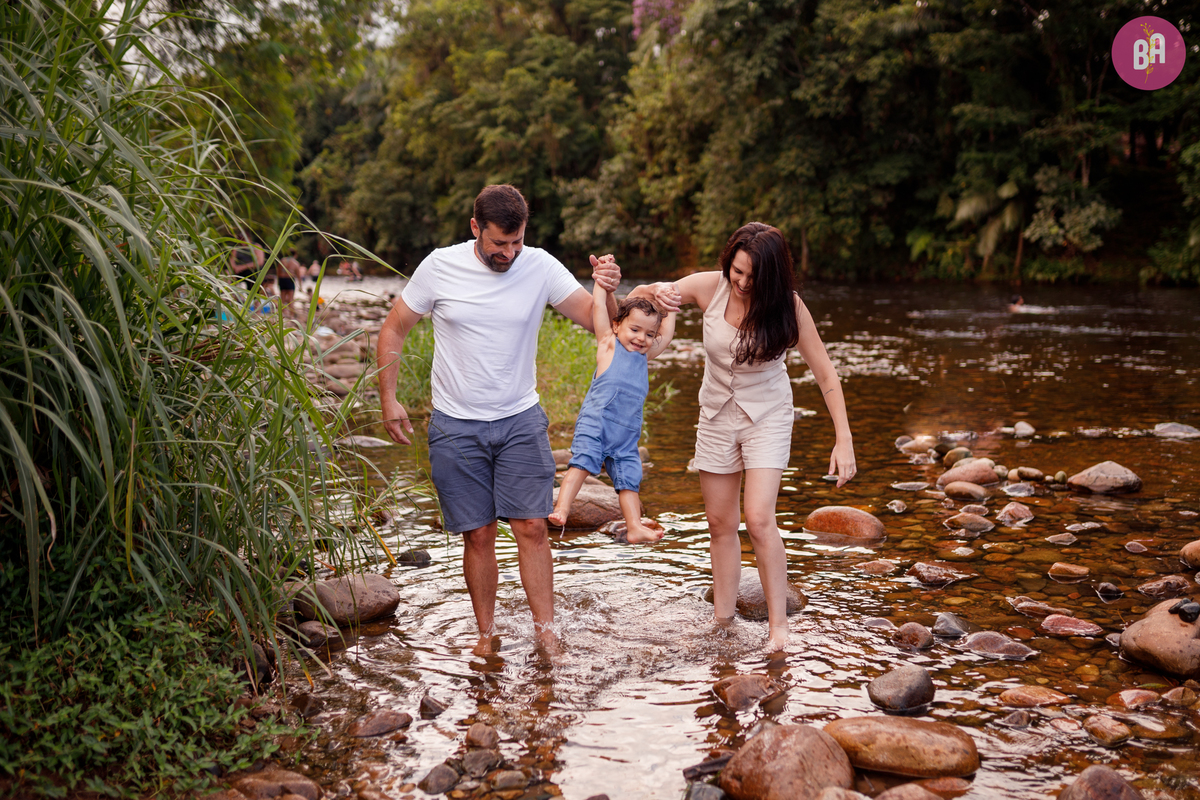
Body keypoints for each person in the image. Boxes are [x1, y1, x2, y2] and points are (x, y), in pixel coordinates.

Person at [375, 184, 619, 651]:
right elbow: (394, 327)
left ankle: (546, 634)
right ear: (475, 228)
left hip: (520, 421)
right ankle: (487, 636)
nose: (508, 253)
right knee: (479, 534)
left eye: (516, 242)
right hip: (454, 425)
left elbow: (596, 320)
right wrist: (389, 398)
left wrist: (605, 289)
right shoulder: (440, 266)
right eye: (498, 244)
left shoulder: (540, 265)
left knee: (532, 526)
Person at [628, 222, 855, 652]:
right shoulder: (709, 287)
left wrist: (843, 437)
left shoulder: (789, 307)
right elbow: (645, 295)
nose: (742, 283)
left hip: (766, 416)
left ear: (772, 276)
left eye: (753, 276)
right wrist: (648, 300)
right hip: (715, 414)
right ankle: (724, 621)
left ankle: (778, 630)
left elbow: (825, 371)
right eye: (737, 271)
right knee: (720, 523)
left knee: (759, 518)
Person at [548, 283, 677, 543]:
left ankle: (634, 527)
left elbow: (668, 334)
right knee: (581, 463)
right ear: (617, 325)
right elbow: (598, 308)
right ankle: (561, 508)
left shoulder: (644, 356)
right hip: (597, 423)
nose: (641, 338)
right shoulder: (608, 344)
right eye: (635, 329)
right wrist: (600, 285)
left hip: (626, 436)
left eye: (649, 334)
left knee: (629, 480)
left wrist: (672, 307)